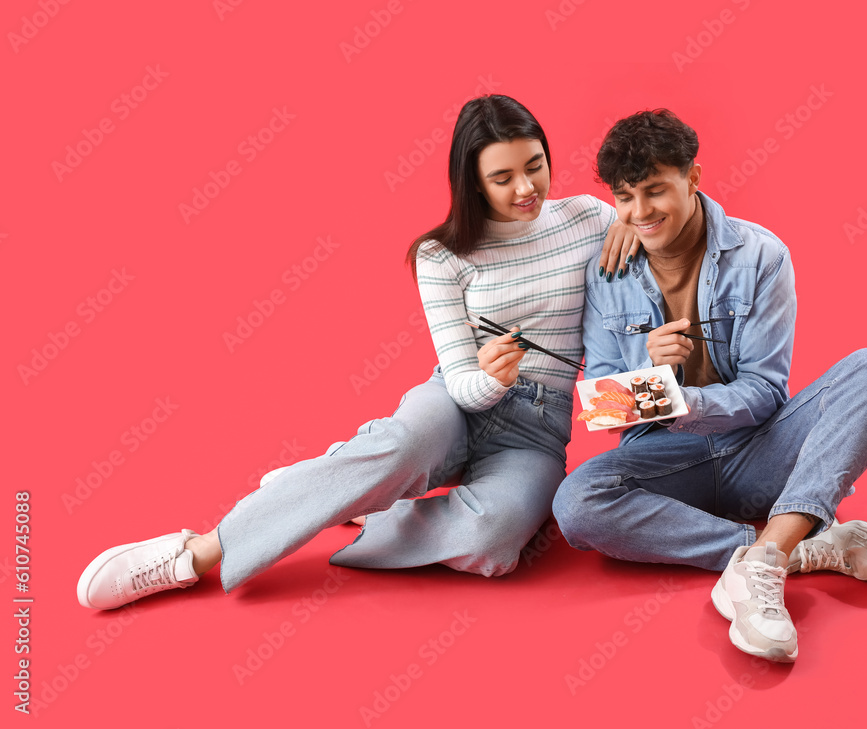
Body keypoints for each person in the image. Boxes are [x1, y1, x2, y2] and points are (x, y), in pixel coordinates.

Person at [77, 94, 638, 610]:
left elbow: (679, 209)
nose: (526, 188)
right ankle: (196, 550)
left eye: (535, 165)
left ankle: (337, 493)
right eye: (502, 177)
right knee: (403, 446)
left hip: (537, 431)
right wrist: (490, 380)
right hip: (456, 400)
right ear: (472, 183)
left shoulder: (590, 218)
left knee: (493, 542)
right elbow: (463, 380)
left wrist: (632, 224)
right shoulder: (441, 256)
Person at [552, 109, 867, 663]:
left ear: (693, 178)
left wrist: (685, 401)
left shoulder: (762, 256)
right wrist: (652, 376)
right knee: (577, 504)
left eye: (655, 191)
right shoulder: (608, 271)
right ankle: (787, 551)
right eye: (626, 198)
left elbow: (766, 391)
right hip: (665, 461)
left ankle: (766, 559)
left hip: (760, 449)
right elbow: (602, 399)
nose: (641, 212)